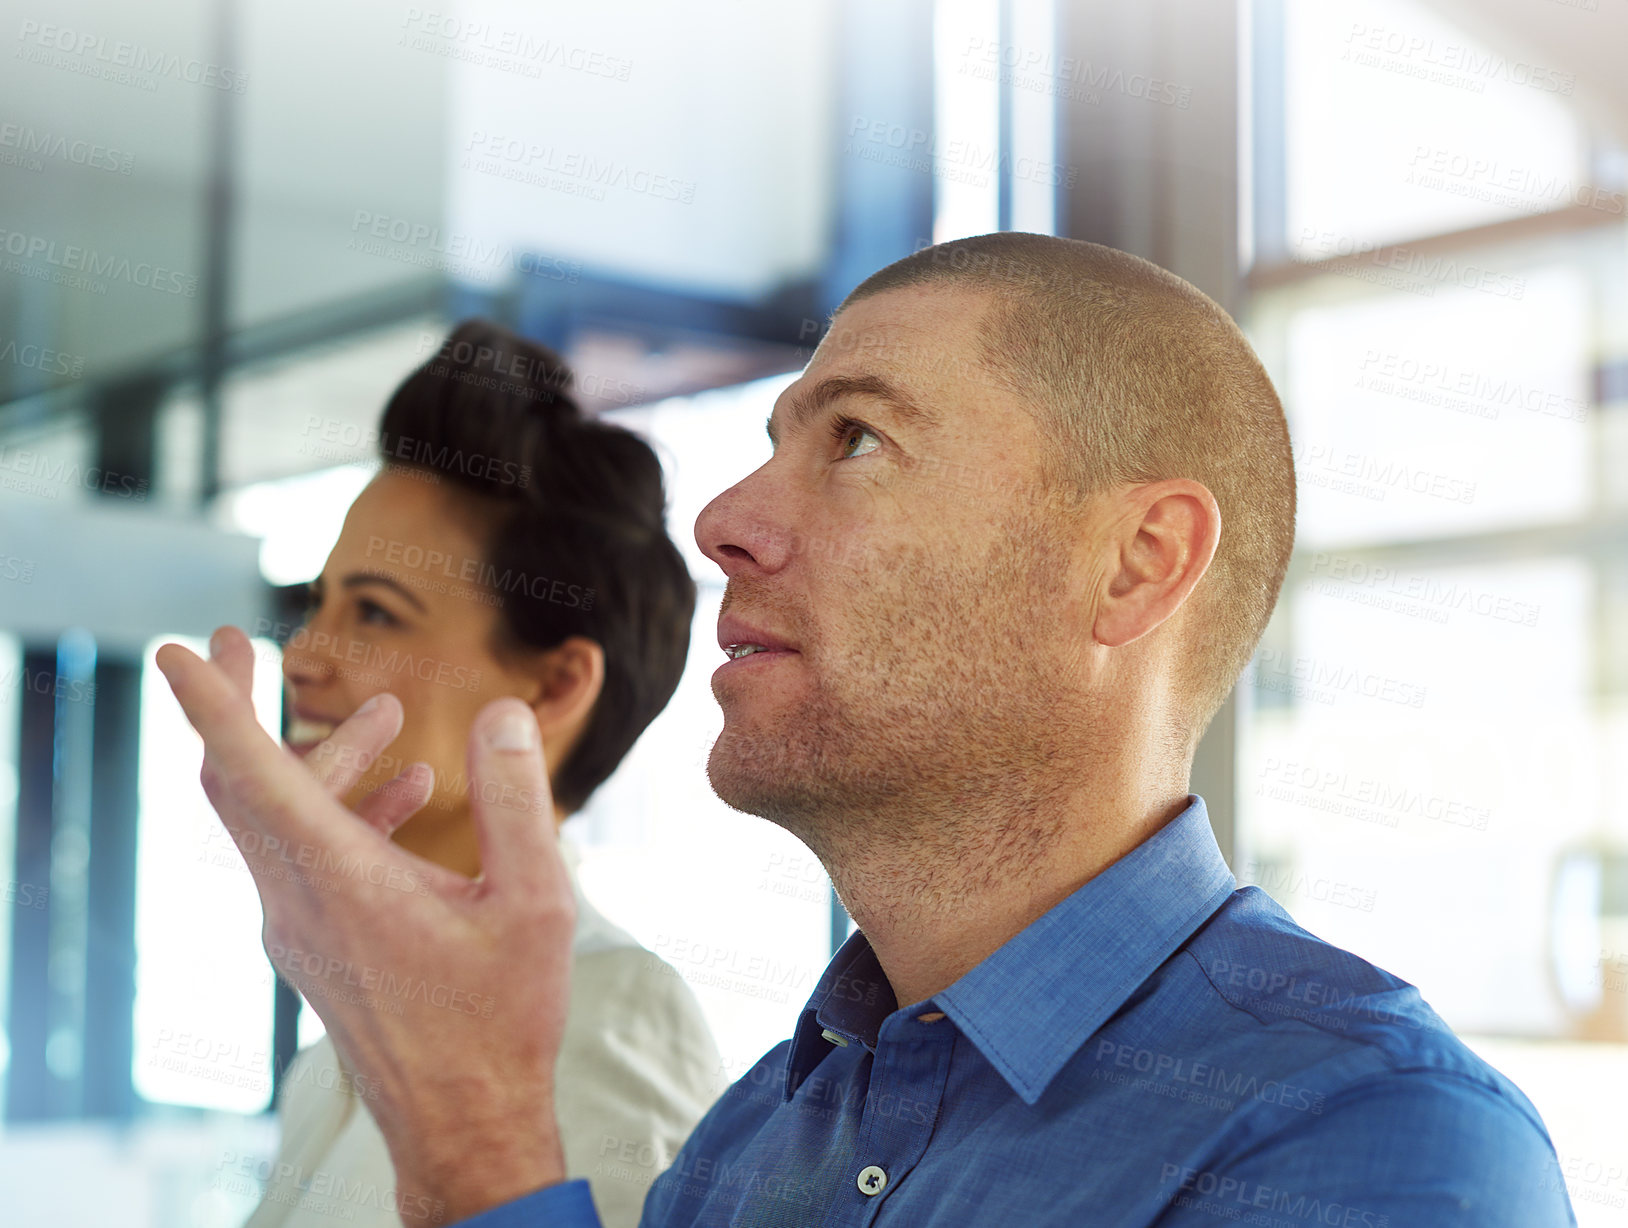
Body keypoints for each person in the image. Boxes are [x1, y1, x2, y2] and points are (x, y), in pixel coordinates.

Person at [161, 235, 1577, 1226]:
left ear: (1136, 564)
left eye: (854, 441)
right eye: (773, 438)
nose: (721, 522)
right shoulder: (742, 1149)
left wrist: (472, 1139)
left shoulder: (1367, 1140)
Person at [242, 320, 723, 1228]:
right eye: (319, 604)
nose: (304, 655)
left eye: (377, 613)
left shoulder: (614, 1011)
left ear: (553, 685)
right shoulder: (335, 1051)